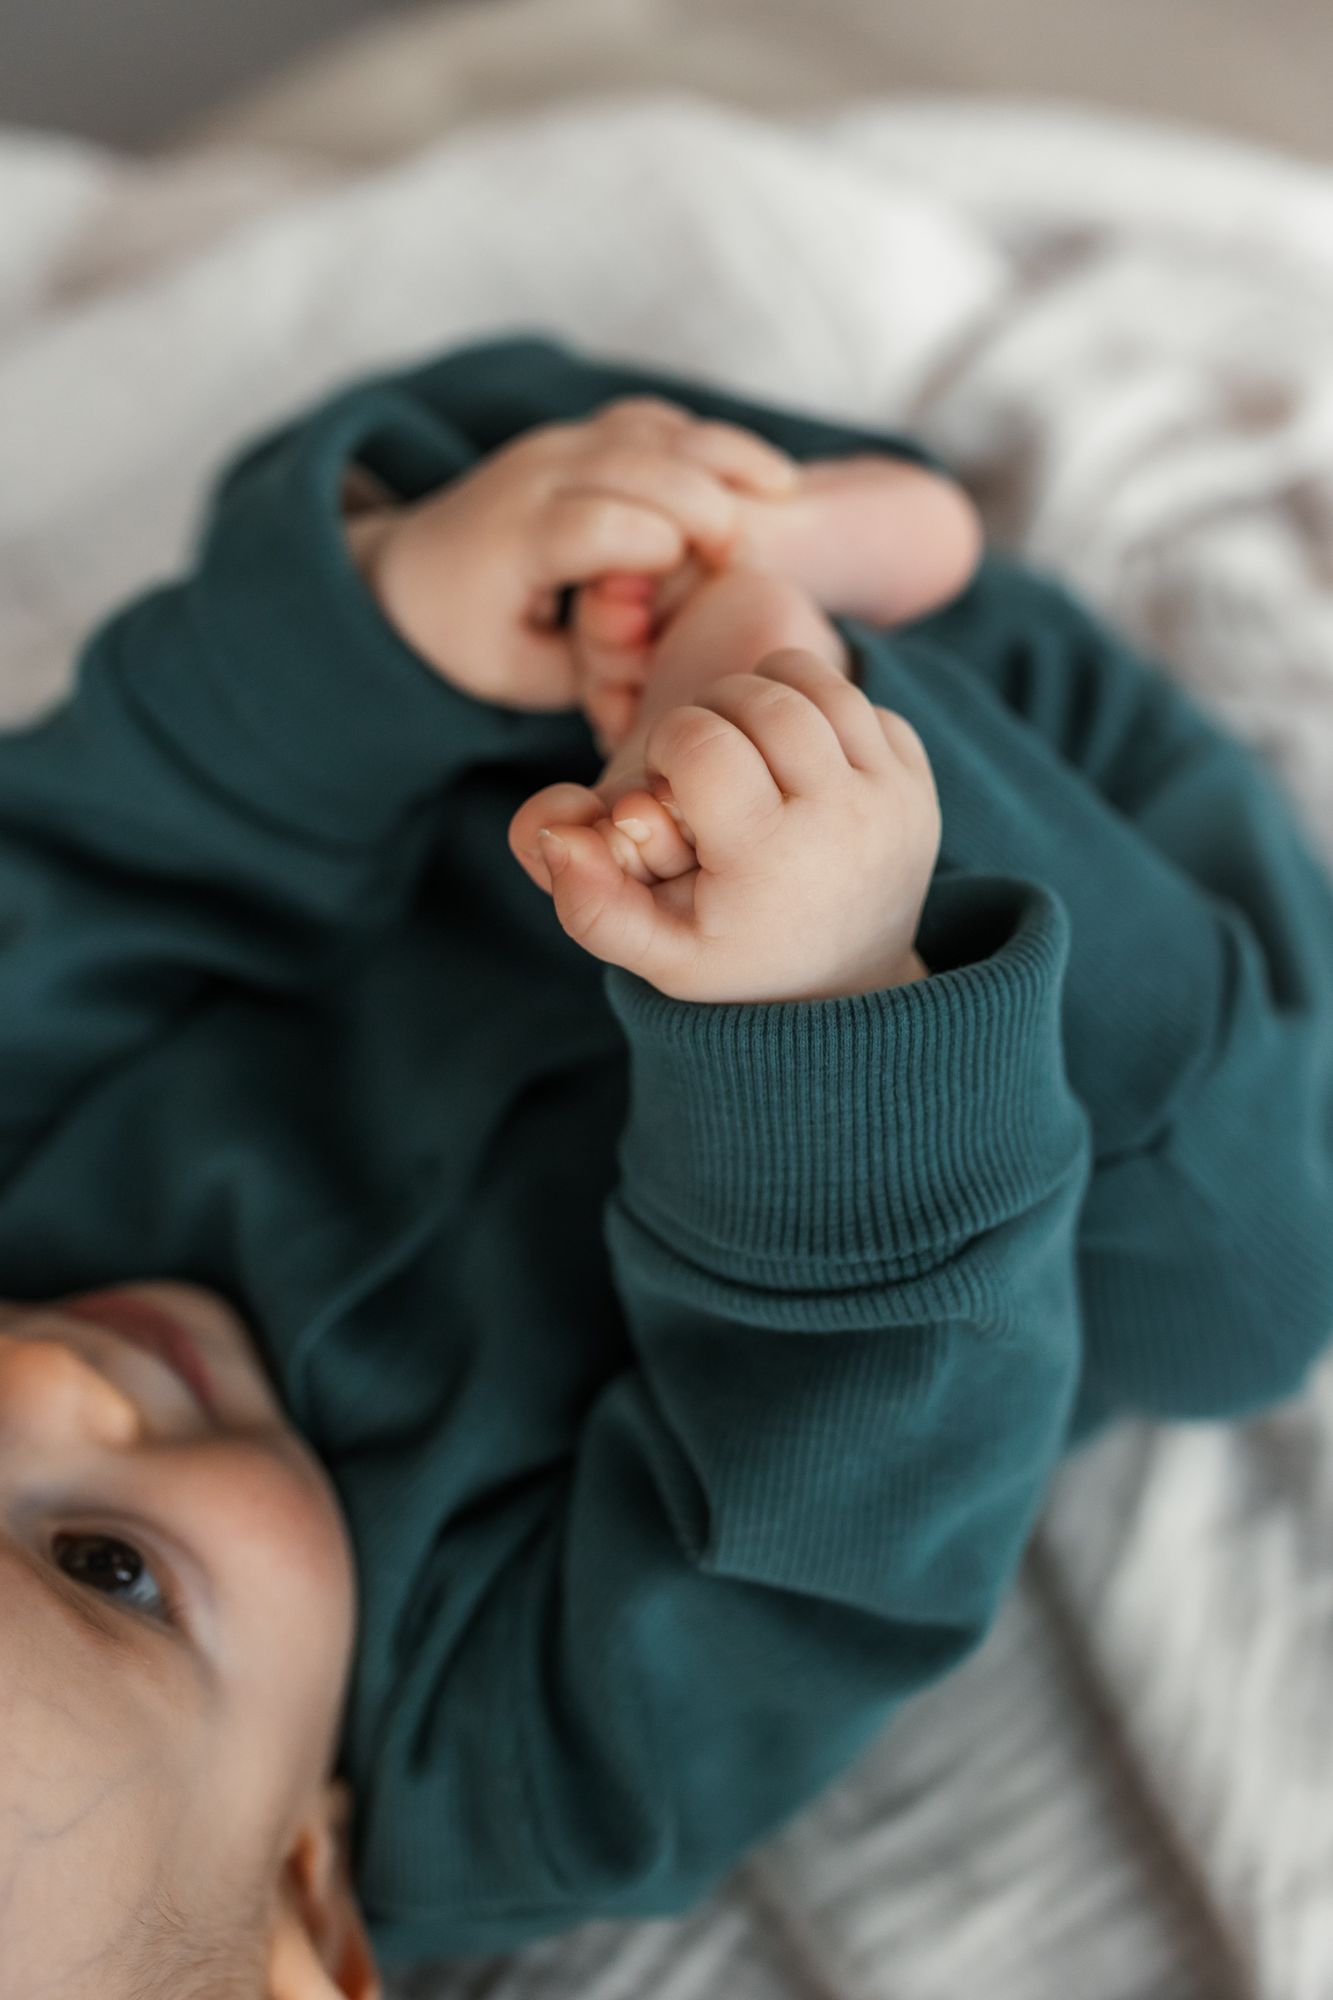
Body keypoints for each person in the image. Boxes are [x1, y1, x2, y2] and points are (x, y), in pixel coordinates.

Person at [1, 333, 1330, 1999]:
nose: (44, 1384)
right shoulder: (536, 1776)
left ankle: (716, 574)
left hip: (524, 742)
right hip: (983, 982)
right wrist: (826, 991)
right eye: (108, 1569)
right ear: (308, 1903)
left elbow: (109, 851)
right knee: (1244, 1280)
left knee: (342, 564)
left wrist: (402, 626)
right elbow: (843, 1470)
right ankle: (831, 679)